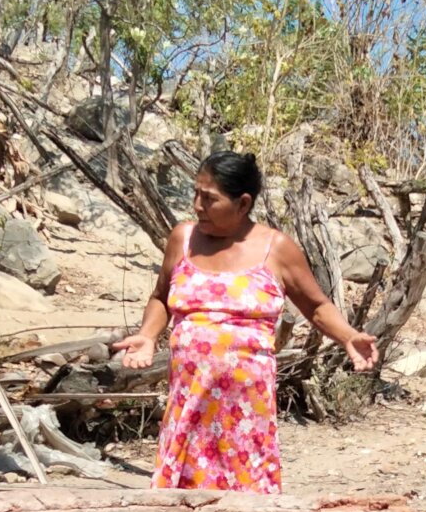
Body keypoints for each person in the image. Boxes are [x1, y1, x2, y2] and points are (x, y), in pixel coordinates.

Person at [112, 151, 379, 493]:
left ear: (243, 203)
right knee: (181, 505)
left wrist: (348, 337)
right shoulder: (183, 238)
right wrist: (148, 335)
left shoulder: (276, 248)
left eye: (209, 199)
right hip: (190, 404)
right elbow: (161, 297)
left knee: (246, 502)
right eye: (195, 194)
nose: (197, 205)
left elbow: (315, 306)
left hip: (245, 415)